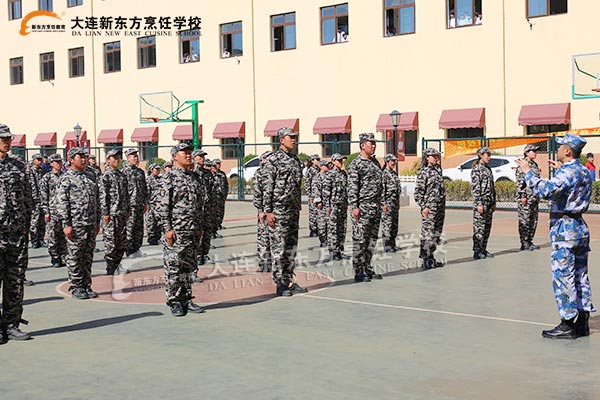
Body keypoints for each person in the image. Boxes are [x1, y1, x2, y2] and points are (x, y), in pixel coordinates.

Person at [515, 133, 594, 339]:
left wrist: (527, 172)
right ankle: (582, 321)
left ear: (567, 151)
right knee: (580, 275)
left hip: (564, 229)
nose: (557, 150)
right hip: (579, 227)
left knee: (563, 277)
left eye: (560, 147)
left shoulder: (567, 173)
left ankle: (567, 323)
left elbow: (545, 191)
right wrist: (560, 171)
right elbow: (570, 185)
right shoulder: (583, 171)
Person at [158, 143, 206, 316]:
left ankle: (186, 298)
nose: (188, 155)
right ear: (174, 156)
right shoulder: (168, 178)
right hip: (176, 231)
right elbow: (163, 206)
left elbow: (200, 204)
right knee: (174, 266)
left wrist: (200, 226)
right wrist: (167, 228)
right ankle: (174, 300)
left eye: (189, 152)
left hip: (192, 230)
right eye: (183, 152)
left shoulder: (194, 178)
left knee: (188, 267)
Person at [262, 127, 308, 296]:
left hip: (293, 209)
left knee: (290, 248)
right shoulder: (273, 160)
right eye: (291, 137)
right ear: (281, 140)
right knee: (279, 249)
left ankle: (289, 280)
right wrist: (268, 211)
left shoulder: (295, 159)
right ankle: (280, 284)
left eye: (295, 137)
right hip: (278, 210)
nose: (294, 140)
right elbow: (268, 187)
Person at [0, 123, 33, 343]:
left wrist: (27, 227)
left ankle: (11, 324)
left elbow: (28, 199)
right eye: (3, 138)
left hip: (16, 235)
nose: (7, 142)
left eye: (9, 138)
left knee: (15, 281)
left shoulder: (19, 166)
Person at [56, 147, 101, 300]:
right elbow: (62, 203)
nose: (83, 159)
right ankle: (76, 286)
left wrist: (97, 221)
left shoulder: (91, 175)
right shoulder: (66, 178)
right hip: (75, 224)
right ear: (71, 159)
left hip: (90, 223)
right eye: (79, 157)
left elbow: (97, 200)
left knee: (88, 256)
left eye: (85, 156)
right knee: (75, 256)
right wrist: (66, 224)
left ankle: (86, 284)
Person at [348, 133, 383, 282]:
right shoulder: (356, 164)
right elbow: (352, 187)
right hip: (362, 208)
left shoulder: (375, 163)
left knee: (371, 240)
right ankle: (358, 271)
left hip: (375, 208)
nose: (374, 145)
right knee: (360, 240)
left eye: (375, 143)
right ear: (363, 145)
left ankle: (367, 267)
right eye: (371, 143)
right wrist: (355, 206)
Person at [99, 149, 130, 275]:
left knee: (121, 241)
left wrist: (127, 210)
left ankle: (118, 264)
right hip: (111, 214)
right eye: (114, 158)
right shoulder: (105, 176)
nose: (116, 160)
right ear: (108, 160)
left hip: (121, 213)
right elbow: (103, 196)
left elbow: (126, 194)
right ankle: (110, 266)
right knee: (110, 241)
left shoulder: (122, 175)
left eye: (118, 157)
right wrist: (105, 213)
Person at [415, 148, 446, 269]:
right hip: (429, 208)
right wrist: (424, 207)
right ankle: (426, 259)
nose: (436, 158)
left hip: (439, 207)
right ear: (427, 157)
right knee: (427, 233)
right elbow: (418, 193)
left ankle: (431, 256)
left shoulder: (438, 171)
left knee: (436, 233)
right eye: (433, 156)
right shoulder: (424, 173)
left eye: (437, 156)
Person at [40, 153, 67, 268]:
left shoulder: (65, 176)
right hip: (52, 211)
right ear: (51, 164)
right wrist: (46, 211)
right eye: (56, 162)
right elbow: (43, 195)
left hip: (63, 211)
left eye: (60, 161)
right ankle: (55, 257)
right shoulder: (47, 178)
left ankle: (63, 256)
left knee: (64, 236)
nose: (59, 164)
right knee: (53, 236)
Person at [122, 148, 149, 258]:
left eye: (136, 156)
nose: (136, 158)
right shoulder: (124, 172)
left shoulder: (140, 172)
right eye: (133, 156)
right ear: (128, 158)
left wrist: (146, 202)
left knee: (139, 229)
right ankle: (129, 251)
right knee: (130, 229)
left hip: (139, 204)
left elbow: (144, 188)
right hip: (130, 206)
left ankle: (136, 249)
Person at [471, 147, 496, 260]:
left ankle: (483, 249)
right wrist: (479, 204)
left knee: (487, 228)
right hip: (481, 203)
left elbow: (492, 187)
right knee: (479, 228)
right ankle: (477, 250)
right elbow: (476, 188)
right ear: (481, 155)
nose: (489, 157)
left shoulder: (488, 169)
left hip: (489, 203)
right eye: (487, 155)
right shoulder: (477, 169)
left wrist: (494, 201)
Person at [516, 144, 541, 251]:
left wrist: (538, 194)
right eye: (533, 151)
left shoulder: (534, 164)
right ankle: (524, 242)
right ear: (526, 153)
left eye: (535, 151)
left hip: (534, 197)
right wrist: (523, 195)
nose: (535, 153)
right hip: (526, 197)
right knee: (525, 219)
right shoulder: (523, 164)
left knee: (533, 220)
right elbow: (520, 181)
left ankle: (529, 240)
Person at [323, 153, 348, 261]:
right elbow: (326, 192)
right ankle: (333, 251)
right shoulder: (330, 174)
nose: (341, 162)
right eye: (338, 160)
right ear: (333, 161)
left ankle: (340, 250)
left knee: (342, 228)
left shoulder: (343, 174)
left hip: (342, 204)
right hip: (333, 205)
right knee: (333, 229)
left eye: (342, 160)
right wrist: (327, 206)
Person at [193, 149, 214, 266]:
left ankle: (204, 254)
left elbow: (212, 190)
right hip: (196, 208)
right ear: (194, 158)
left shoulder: (207, 173)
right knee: (196, 233)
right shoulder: (191, 172)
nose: (202, 158)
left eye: (203, 157)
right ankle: (195, 256)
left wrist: (212, 205)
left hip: (206, 207)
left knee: (207, 231)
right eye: (200, 156)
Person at [253, 151, 273, 272]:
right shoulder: (260, 173)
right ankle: (264, 261)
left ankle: (272, 261)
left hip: (274, 210)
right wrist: (260, 210)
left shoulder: (275, 171)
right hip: (264, 211)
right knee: (263, 236)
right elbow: (257, 193)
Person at [381, 154, 401, 253]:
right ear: (387, 162)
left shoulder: (394, 174)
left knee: (394, 225)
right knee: (387, 225)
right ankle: (387, 246)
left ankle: (393, 244)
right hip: (387, 203)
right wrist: (383, 204)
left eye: (394, 161)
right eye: (392, 161)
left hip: (394, 203)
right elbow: (382, 190)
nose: (393, 163)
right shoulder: (384, 174)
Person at [312, 159, 331, 248]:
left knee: (329, 222)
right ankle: (323, 240)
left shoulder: (329, 176)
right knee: (322, 222)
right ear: (321, 166)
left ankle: (328, 239)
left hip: (328, 203)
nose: (328, 167)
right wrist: (318, 201)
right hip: (321, 203)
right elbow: (315, 189)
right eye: (326, 165)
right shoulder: (318, 177)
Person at [28, 153, 46, 249]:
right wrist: (35, 199)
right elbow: (32, 186)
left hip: (42, 199)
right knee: (34, 220)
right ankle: (34, 240)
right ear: (34, 160)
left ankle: (41, 239)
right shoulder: (31, 171)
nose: (40, 161)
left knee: (42, 221)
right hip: (35, 200)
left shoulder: (42, 171)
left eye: (41, 159)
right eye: (38, 160)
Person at [145, 163, 163, 246]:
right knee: (151, 222)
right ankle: (151, 238)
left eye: (159, 169)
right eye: (156, 169)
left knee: (159, 222)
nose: (158, 171)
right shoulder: (149, 179)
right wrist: (147, 203)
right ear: (151, 170)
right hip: (151, 203)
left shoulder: (161, 179)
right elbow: (147, 192)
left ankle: (158, 237)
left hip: (159, 204)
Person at [305, 154, 321, 238]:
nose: (318, 161)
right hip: (312, 195)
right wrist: (310, 195)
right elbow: (307, 183)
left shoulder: (319, 169)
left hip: (318, 194)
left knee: (318, 213)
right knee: (312, 213)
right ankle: (313, 230)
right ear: (312, 161)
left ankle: (318, 229)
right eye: (316, 159)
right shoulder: (310, 170)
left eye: (319, 159)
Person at [212, 158, 229, 236]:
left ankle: (219, 224)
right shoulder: (211, 174)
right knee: (214, 213)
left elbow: (226, 185)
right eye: (217, 164)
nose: (218, 165)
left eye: (219, 164)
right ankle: (214, 228)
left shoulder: (222, 174)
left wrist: (225, 194)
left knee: (221, 211)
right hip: (214, 197)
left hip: (221, 197)